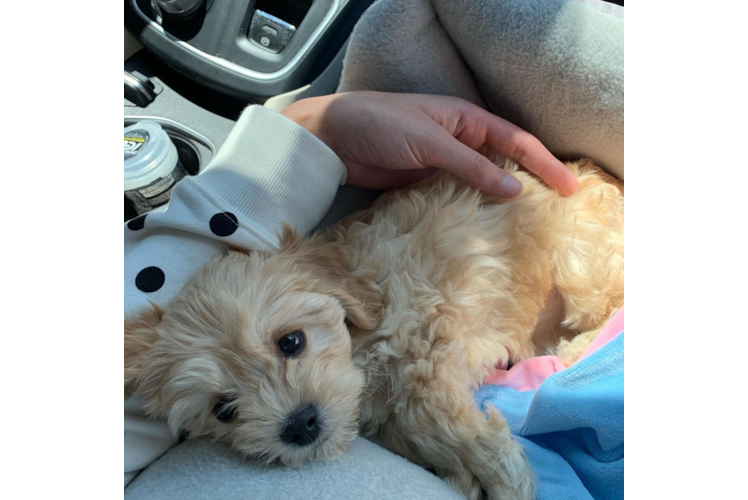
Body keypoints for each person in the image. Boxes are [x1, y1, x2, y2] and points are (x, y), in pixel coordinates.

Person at [124, 91, 578, 490]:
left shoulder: (353, 297)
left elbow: (423, 362)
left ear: (342, 296)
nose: (289, 413)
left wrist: (314, 135)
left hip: (575, 242)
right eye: (226, 408)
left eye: (290, 343)